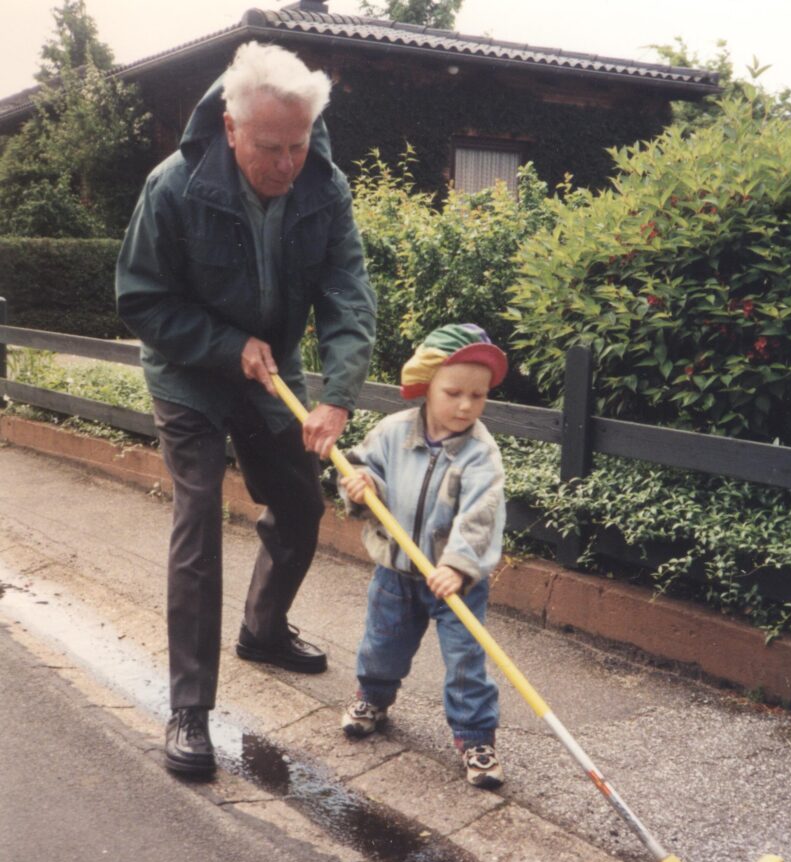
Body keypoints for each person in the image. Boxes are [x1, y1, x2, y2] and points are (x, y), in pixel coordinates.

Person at [115, 42, 376, 777]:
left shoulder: (326, 188)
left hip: (271, 374)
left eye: (298, 145)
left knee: (300, 504)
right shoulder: (173, 186)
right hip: (189, 372)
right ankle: (190, 708)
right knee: (198, 517)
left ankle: (263, 630)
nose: (287, 163)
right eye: (270, 147)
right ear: (231, 128)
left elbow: (348, 294)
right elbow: (141, 300)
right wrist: (228, 346)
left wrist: (338, 397)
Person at [338, 324, 508, 789]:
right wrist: (362, 485)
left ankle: (475, 736)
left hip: (455, 581)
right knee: (382, 644)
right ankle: (373, 698)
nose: (466, 406)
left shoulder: (480, 454)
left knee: (465, 660)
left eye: (478, 395)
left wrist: (457, 566)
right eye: (454, 393)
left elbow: (480, 516)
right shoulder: (392, 432)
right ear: (427, 386)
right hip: (395, 571)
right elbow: (362, 467)